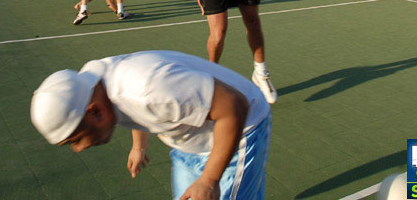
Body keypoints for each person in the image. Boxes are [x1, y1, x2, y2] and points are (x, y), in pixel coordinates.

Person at [31, 50, 271, 200]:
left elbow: (234, 106)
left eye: (75, 139)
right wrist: (139, 146)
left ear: (95, 111)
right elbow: (131, 108)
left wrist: (209, 179)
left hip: (240, 127)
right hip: (189, 140)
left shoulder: (148, 87)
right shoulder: (94, 85)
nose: (79, 148)